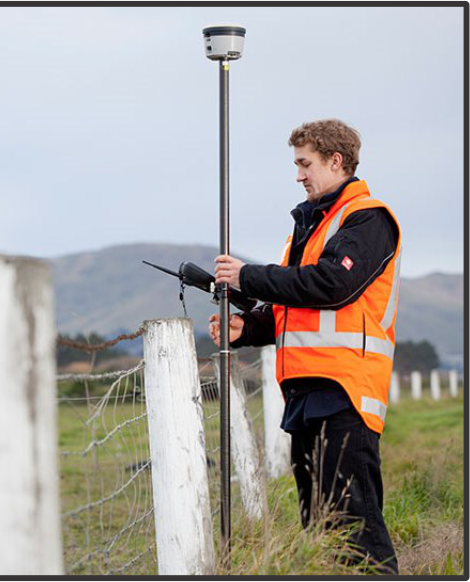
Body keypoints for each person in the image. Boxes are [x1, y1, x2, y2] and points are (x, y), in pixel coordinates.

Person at [209, 119, 401, 574]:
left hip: (345, 393)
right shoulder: (305, 231)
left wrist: (247, 275)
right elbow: (291, 310)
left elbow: (333, 285)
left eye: (305, 163)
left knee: (357, 530)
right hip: (304, 395)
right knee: (321, 528)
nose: (298, 175)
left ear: (336, 162)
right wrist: (248, 330)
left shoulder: (367, 219)